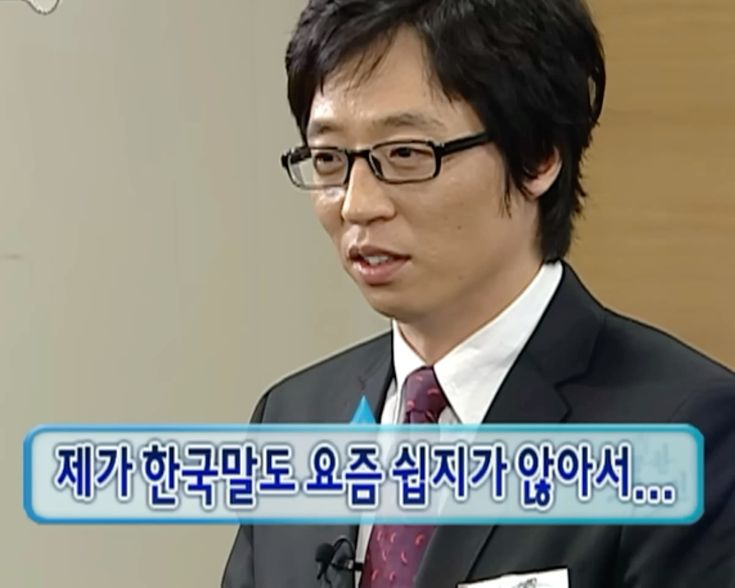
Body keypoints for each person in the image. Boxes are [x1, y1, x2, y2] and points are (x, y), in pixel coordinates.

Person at [222, 0, 735, 586]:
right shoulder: (291, 419)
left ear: (538, 156)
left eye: (406, 154)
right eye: (330, 159)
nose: (357, 204)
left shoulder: (687, 433)